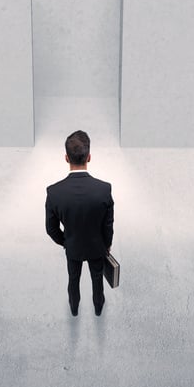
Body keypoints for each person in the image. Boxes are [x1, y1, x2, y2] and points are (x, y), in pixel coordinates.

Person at [45, 130, 114, 317]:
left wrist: (66, 241)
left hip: (73, 247)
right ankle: (98, 307)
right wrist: (106, 244)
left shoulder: (54, 192)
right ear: (89, 157)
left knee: (73, 279)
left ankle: (74, 308)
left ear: (66, 158)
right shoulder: (104, 189)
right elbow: (108, 225)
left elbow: (51, 229)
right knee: (97, 278)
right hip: (97, 247)